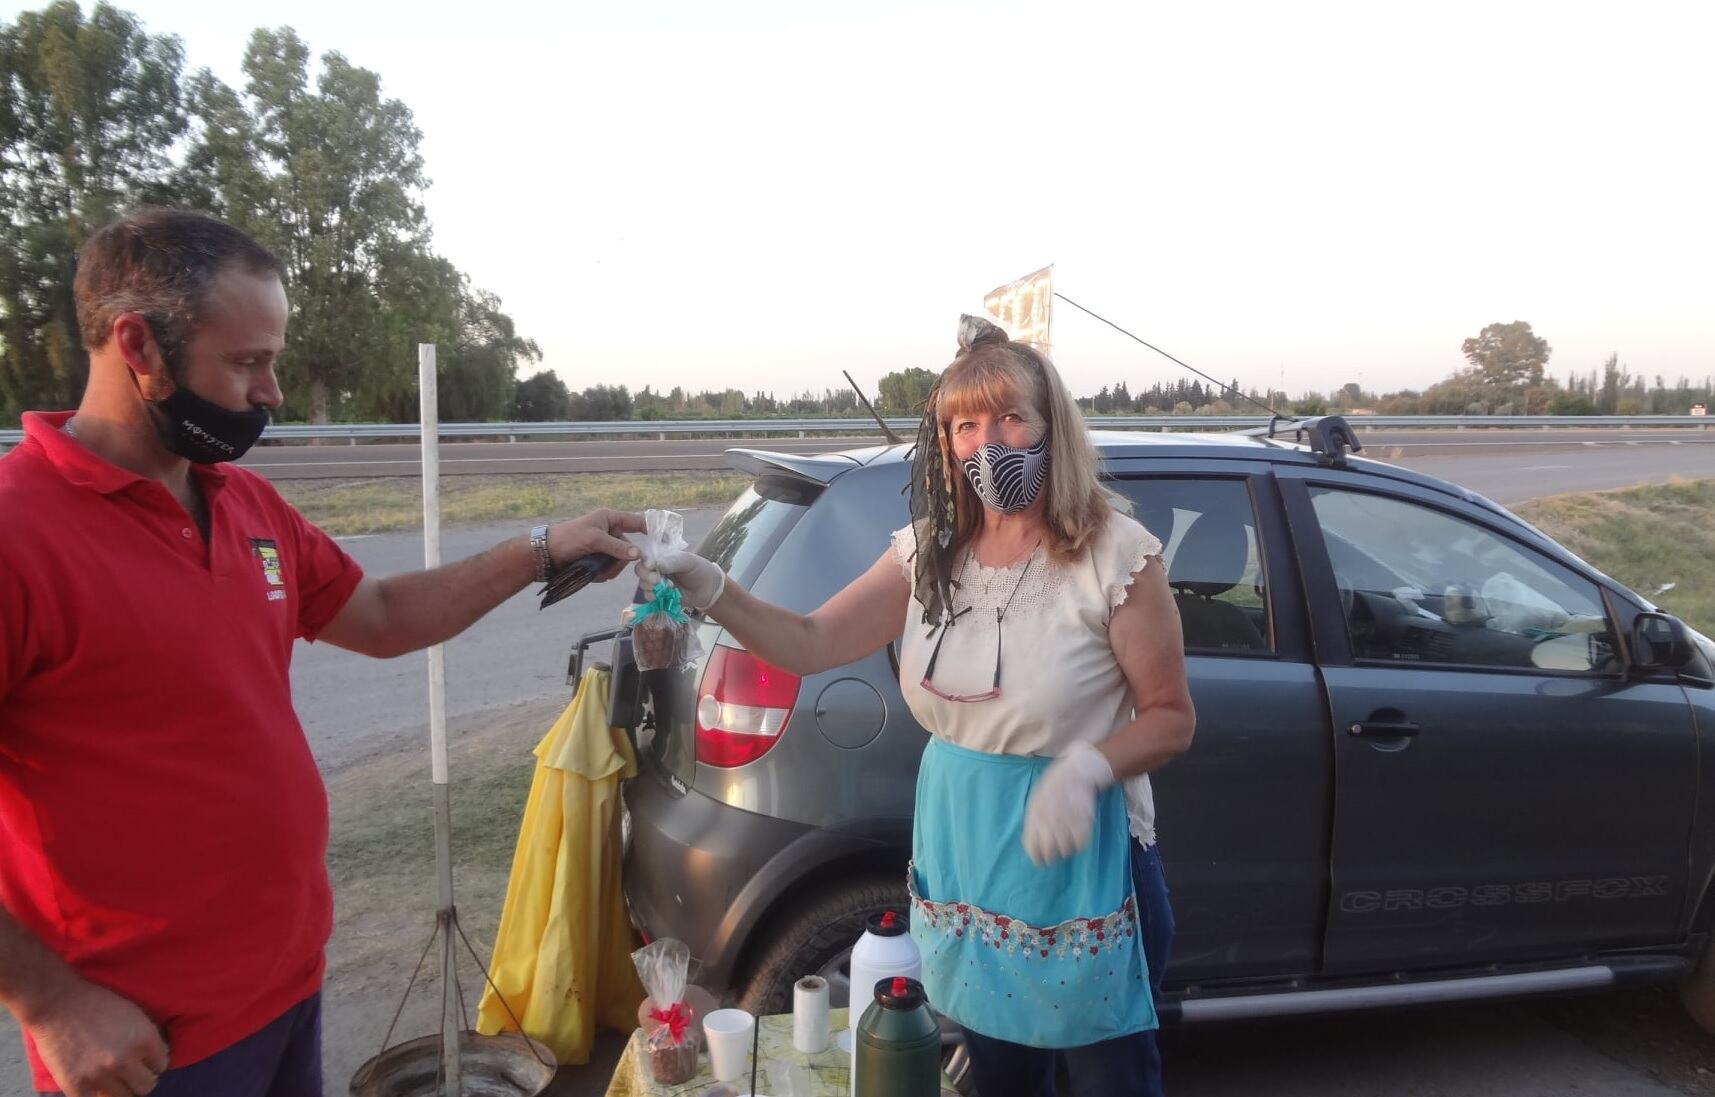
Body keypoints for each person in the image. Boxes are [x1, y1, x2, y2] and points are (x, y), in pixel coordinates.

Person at [0, 208, 644, 1097]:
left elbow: (378, 614)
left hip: (288, 992)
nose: (270, 392)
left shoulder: (246, 504)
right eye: (246, 361)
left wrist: (540, 548)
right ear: (138, 344)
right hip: (141, 1042)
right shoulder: (18, 529)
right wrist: (51, 1002)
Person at [644, 314, 1195, 1096]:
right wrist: (710, 584)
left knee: (1112, 1078)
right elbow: (805, 640)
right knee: (1001, 1074)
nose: (988, 442)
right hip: (967, 855)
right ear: (945, 443)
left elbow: (1171, 714)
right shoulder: (928, 551)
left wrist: (1086, 769)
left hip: (1084, 863)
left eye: (1010, 418)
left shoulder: (1115, 555)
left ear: (1051, 428)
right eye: (965, 424)